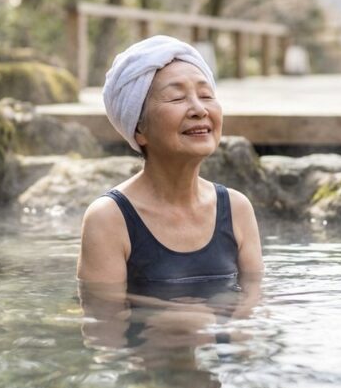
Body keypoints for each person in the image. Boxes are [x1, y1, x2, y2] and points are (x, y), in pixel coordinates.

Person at [77, 35, 264, 290]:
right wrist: (171, 316)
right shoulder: (109, 219)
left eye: (206, 95)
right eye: (177, 98)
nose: (199, 109)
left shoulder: (236, 209)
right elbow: (104, 315)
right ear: (139, 127)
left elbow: (253, 302)